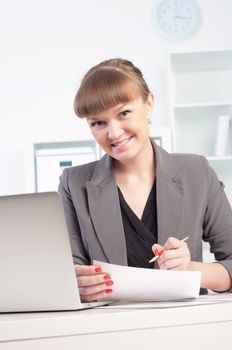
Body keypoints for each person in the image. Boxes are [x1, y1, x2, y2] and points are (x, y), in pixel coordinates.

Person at [59, 58, 232, 302]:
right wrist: (74, 284)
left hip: (187, 329)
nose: (114, 133)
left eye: (124, 113)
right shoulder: (73, 184)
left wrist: (190, 270)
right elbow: (68, 272)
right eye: (98, 122)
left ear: (149, 104)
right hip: (107, 331)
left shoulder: (197, 172)